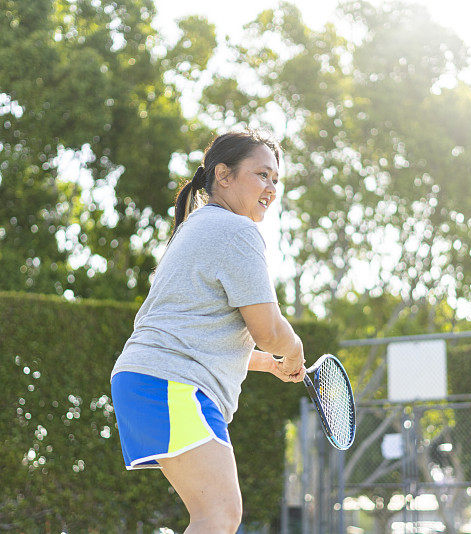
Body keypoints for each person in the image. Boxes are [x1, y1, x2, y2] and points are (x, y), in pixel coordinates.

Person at [109, 130, 306, 534]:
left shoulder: (198, 227)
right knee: (219, 515)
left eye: (275, 179)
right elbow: (268, 329)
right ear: (224, 175)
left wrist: (267, 364)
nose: (270, 188)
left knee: (216, 515)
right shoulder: (236, 231)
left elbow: (199, 329)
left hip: (153, 380)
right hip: (168, 383)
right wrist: (294, 349)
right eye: (261, 175)